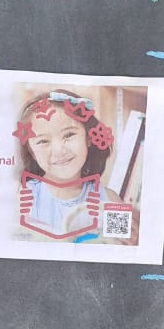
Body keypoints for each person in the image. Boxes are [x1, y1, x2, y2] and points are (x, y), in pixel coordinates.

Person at [14, 89, 136, 243]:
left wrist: (131, 240)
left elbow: (123, 249)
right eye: (43, 141)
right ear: (32, 152)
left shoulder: (109, 200)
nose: (59, 150)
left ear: (89, 137)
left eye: (69, 135)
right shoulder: (21, 199)